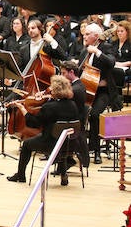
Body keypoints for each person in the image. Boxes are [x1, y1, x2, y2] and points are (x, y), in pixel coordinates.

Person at [7, 75, 80, 185]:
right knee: (62, 139)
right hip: (70, 144)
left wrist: (22, 108)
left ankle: (20, 175)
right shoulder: (73, 104)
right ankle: (63, 175)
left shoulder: (50, 107)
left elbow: (33, 123)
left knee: (26, 144)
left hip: (50, 143)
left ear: (55, 90)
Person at [78, 23, 116, 164]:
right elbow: (79, 72)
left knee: (95, 115)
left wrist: (97, 52)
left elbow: (111, 63)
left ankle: (97, 150)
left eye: (87, 34)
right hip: (87, 91)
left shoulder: (105, 47)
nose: (84, 36)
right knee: (78, 113)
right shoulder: (84, 52)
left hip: (103, 92)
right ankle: (81, 149)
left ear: (96, 36)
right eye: (84, 34)